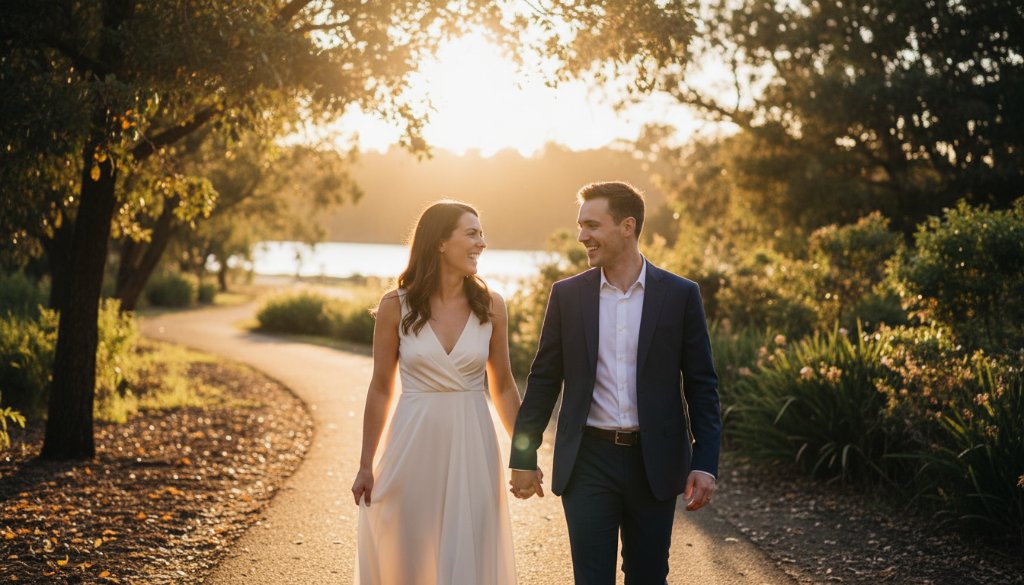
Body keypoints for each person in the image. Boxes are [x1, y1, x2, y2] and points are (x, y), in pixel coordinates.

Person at [509, 181, 722, 585]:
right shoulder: (567, 296)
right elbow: (543, 381)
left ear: (627, 226)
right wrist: (523, 454)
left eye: (592, 225)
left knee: (648, 576)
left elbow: (701, 386)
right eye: (580, 225)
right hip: (587, 461)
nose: (582, 236)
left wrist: (704, 462)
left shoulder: (680, 295)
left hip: (654, 464)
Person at [351, 201, 527, 585]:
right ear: (440, 243)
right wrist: (366, 464)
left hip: (473, 446)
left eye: (481, 233)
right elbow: (381, 387)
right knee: (409, 552)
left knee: (472, 552)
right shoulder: (395, 306)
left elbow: (503, 384)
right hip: (412, 445)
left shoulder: (492, 305)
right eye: (471, 233)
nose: (481, 242)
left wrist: (525, 455)